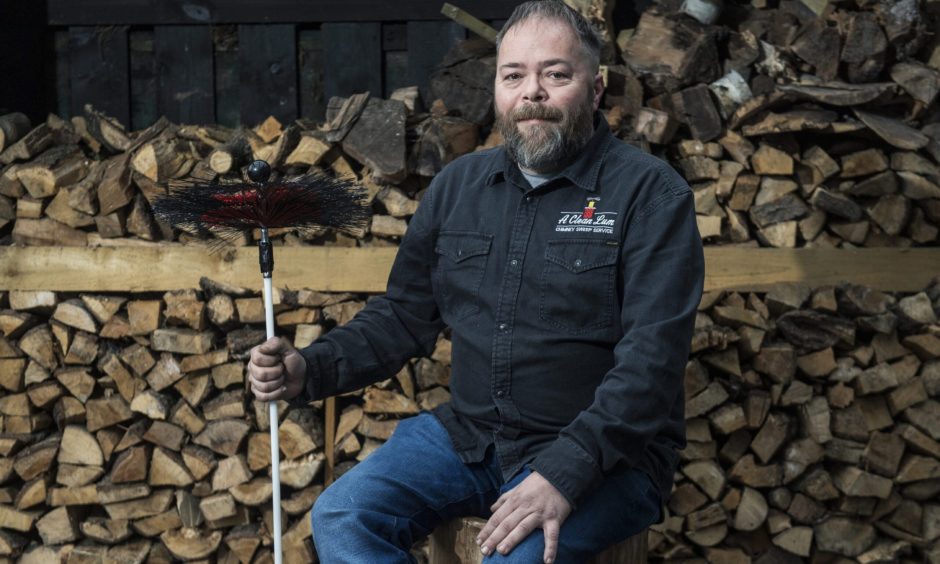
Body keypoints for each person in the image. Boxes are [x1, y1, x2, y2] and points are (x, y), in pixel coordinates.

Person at [248, 1, 704, 562]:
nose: (531, 92)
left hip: (607, 458)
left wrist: (564, 473)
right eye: (514, 76)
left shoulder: (650, 195)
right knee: (343, 516)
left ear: (596, 87)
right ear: (497, 89)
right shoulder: (457, 187)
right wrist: (308, 369)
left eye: (556, 74)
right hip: (469, 439)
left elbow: (651, 365)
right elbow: (403, 316)